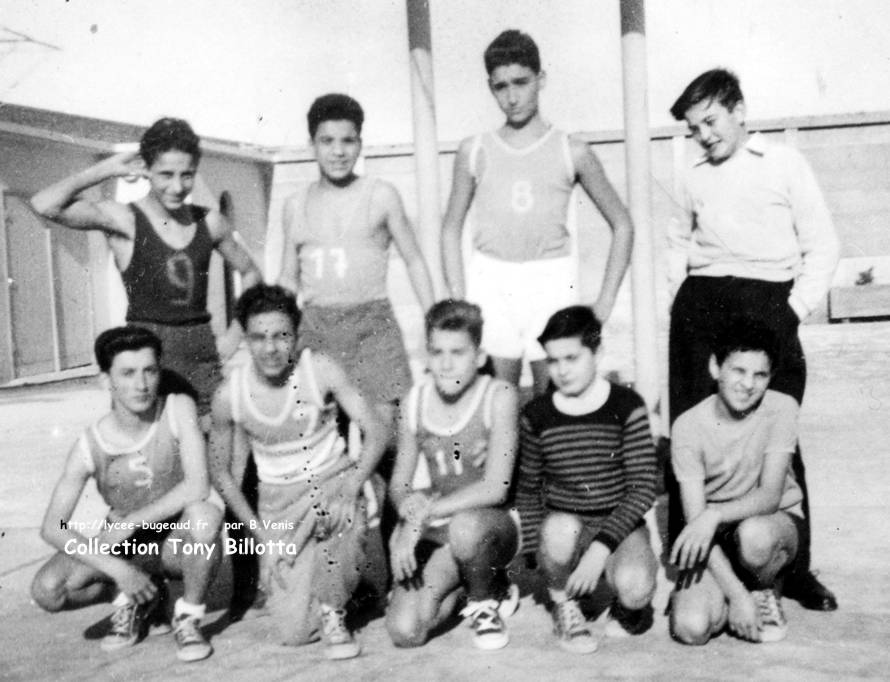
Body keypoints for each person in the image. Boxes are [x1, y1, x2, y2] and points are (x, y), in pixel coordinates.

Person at [667, 68, 840, 611]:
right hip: (702, 306)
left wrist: (790, 312)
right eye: (695, 128)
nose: (705, 136)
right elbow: (675, 247)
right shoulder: (689, 172)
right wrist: (680, 310)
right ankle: (695, 567)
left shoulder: (785, 164)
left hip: (769, 305)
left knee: (779, 437)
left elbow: (824, 246)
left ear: (739, 109)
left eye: (712, 121)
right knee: (696, 436)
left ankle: (796, 567)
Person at [441, 29, 633, 394]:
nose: (512, 97)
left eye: (521, 82)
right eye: (501, 87)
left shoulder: (570, 149)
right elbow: (450, 229)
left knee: (555, 399)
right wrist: (459, 299)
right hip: (492, 283)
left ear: (540, 80)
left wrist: (604, 303)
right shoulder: (475, 150)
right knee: (497, 400)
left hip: (551, 281)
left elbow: (622, 224)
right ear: (490, 87)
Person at [30, 117, 262, 421]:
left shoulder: (209, 221)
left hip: (202, 353)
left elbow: (250, 271)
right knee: (149, 454)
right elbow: (44, 204)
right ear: (146, 170)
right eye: (166, 174)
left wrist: (236, 334)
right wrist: (106, 169)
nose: (177, 186)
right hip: (144, 356)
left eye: (187, 175)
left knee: (211, 446)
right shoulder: (124, 219)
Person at [208, 284, 387, 660]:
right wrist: (260, 536)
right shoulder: (230, 394)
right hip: (280, 506)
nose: (271, 348)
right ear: (246, 339)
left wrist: (352, 484)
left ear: (295, 334)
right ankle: (354, 593)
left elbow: (377, 431)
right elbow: (221, 474)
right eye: (258, 337)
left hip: (332, 480)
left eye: (280, 336)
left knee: (342, 516)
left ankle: (335, 609)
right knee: (294, 633)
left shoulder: (318, 369)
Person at [30, 326, 223, 663]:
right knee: (48, 590)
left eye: (150, 370)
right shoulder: (91, 444)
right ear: (107, 381)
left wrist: (132, 520)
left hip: (174, 542)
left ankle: (188, 616)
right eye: (128, 373)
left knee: (205, 517)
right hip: (125, 548)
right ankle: (135, 597)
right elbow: (52, 527)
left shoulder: (177, 408)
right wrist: (119, 571)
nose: (142, 384)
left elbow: (197, 485)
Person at [278, 93, 435, 432]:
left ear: (360, 143)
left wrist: (435, 319)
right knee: (320, 432)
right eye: (327, 141)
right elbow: (288, 278)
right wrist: (277, 333)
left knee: (385, 435)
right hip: (316, 330)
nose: (338, 151)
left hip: (372, 326)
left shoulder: (381, 195)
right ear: (311, 145)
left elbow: (414, 261)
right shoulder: (295, 204)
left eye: (347, 141)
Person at [516, 306, 657, 654]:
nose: (562, 371)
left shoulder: (626, 405)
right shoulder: (538, 415)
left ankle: (625, 603)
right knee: (558, 531)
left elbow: (643, 487)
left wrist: (601, 548)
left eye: (572, 358)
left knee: (636, 588)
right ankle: (566, 603)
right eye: (553, 361)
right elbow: (529, 487)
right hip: (567, 526)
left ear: (597, 352)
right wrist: (537, 552)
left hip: (618, 525)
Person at [385, 300, 520, 651]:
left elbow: (496, 487)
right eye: (437, 352)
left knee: (466, 528)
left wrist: (429, 510)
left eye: (458, 352)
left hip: (492, 527)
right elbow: (399, 483)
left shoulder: (498, 395)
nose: (445, 364)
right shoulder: (414, 402)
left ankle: (487, 597)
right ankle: (463, 587)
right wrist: (408, 510)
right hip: (441, 531)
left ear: (478, 356)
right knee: (406, 630)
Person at [670, 319, 804, 645]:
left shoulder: (782, 408)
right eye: (738, 371)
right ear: (716, 368)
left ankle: (764, 586)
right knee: (692, 628)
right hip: (714, 540)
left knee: (755, 537)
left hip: (768, 524)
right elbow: (695, 521)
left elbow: (771, 496)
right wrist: (737, 595)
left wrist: (714, 514)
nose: (748, 384)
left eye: (760, 375)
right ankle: (737, 593)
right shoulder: (687, 426)